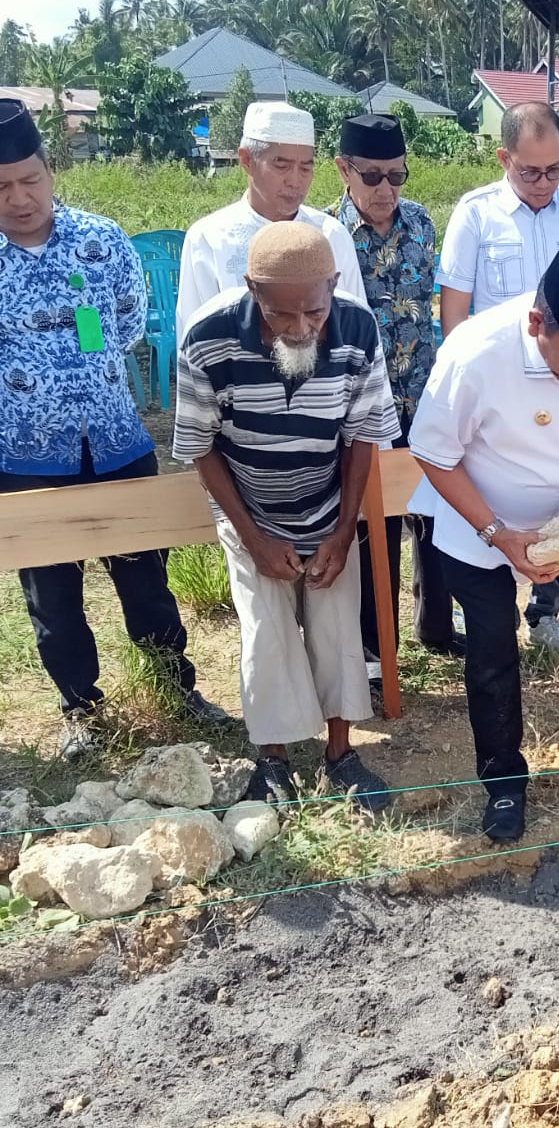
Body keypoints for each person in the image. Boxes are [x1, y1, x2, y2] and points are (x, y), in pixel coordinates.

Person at [409, 231, 559, 844]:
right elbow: (432, 453)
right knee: (492, 644)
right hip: (480, 520)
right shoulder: (476, 353)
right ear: (536, 321)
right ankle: (502, 782)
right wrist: (498, 534)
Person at [0, 98, 226, 758]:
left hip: (118, 444)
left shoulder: (99, 240)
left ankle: (175, 687)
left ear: (49, 170)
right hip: (27, 458)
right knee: (53, 597)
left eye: (29, 180)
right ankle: (82, 711)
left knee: (145, 579)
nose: (18, 198)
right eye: (2, 187)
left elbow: (127, 325)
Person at [173, 222, 400, 808]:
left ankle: (340, 754)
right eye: (282, 316)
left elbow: (362, 437)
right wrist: (252, 538)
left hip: (328, 507)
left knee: (336, 627)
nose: (301, 329)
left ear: (335, 284)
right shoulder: (207, 338)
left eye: (315, 313)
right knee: (265, 633)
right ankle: (272, 760)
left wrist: (344, 530)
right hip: (249, 510)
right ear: (252, 289)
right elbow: (200, 445)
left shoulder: (357, 328)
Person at [436, 102, 559, 657]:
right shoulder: (476, 214)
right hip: (499, 390)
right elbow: (455, 313)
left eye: (554, 169)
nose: (543, 183)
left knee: (558, 493)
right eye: (529, 171)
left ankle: (546, 611)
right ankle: (489, 614)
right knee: (495, 495)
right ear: (504, 158)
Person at [329, 112, 463, 713]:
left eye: (397, 176)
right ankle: (374, 646)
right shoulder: (328, 234)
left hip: (422, 393)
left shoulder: (422, 223)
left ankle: (435, 624)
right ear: (344, 170)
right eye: (373, 176)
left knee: (434, 513)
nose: (386, 190)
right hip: (360, 405)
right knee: (372, 526)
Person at [176, 101, 366, 338]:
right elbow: (193, 340)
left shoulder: (331, 235)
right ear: (247, 160)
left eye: (305, 168)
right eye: (282, 166)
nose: (295, 181)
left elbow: (357, 332)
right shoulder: (209, 238)